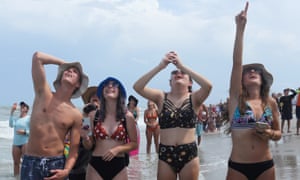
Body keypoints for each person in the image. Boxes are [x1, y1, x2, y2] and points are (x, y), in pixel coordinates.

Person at [133, 51, 212, 180]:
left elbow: (208, 86)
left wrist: (182, 66)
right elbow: (138, 87)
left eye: (182, 73)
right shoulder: (160, 97)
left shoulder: (195, 98)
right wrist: (160, 66)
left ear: (190, 83)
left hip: (189, 153)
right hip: (165, 154)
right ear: (170, 82)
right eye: (174, 73)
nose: (178, 73)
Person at [226, 2, 281, 180]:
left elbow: (278, 133)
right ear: (241, 80)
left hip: (266, 165)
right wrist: (240, 29)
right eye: (248, 71)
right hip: (238, 166)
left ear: (262, 78)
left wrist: (269, 133)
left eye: (256, 71)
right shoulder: (236, 98)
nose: (252, 72)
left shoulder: (270, 102)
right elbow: (236, 63)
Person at [20, 51, 89, 180]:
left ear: (78, 84)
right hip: (31, 161)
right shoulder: (43, 93)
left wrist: (67, 170)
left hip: (55, 163)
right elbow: (37, 57)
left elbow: (74, 150)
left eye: (74, 72)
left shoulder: (75, 114)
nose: (69, 71)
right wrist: (63, 64)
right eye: (67, 70)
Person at [83, 77, 138, 180]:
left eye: (114, 84)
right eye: (106, 85)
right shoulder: (91, 115)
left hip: (119, 165)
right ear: (102, 93)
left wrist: (118, 149)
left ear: (120, 92)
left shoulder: (128, 116)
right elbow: (88, 146)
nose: (109, 86)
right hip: (96, 165)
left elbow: (134, 143)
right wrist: (85, 138)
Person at [68, 86, 100, 180]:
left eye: (98, 96)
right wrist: (86, 116)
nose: (95, 97)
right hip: (81, 166)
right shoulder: (81, 118)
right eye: (93, 96)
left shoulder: (107, 120)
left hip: (99, 167)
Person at [9, 101, 30, 178]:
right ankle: (16, 178)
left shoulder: (29, 118)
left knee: (26, 163)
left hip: (25, 143)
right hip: (16, 143)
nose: (21, 107)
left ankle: (26, 177)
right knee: (16, 163)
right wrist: (12, 112)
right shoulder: (16, 119)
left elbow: (34, 131)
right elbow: (11, 125)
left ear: (27, 109)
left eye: (24, 106)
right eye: (21, 106)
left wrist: (25, 132)